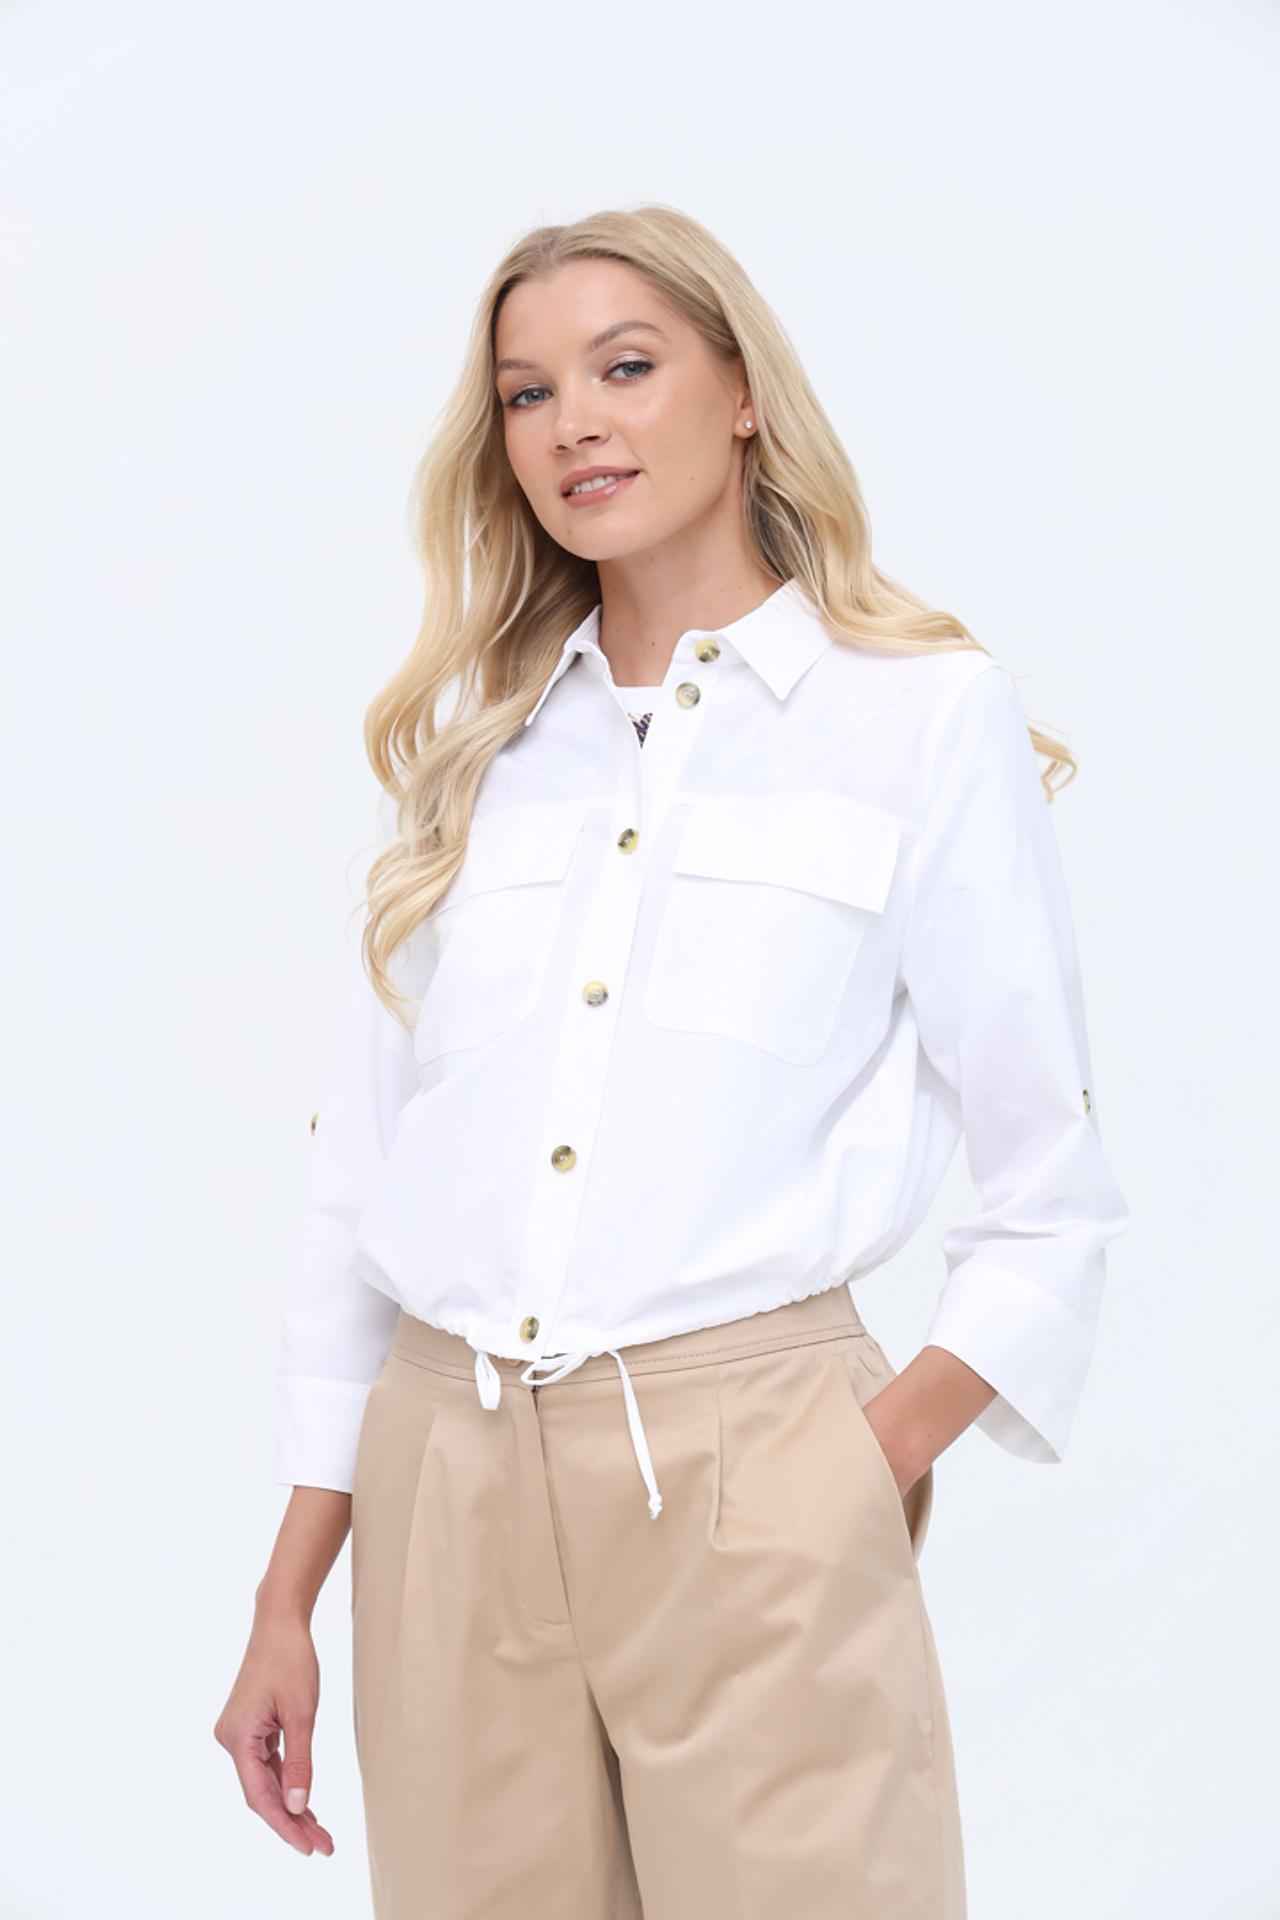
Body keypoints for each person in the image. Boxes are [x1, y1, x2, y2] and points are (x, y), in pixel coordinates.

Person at [214, 203, 1130, 1918]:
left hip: (750, 1466)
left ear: (742, 392)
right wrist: (290, 1590)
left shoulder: (919, 717)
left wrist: (846, 1470)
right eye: (527, 392)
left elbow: (1049, 1193)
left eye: (625, 368)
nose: (574, 422)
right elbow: (362, 1192)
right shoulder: (479, 760)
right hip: (445, 1480)